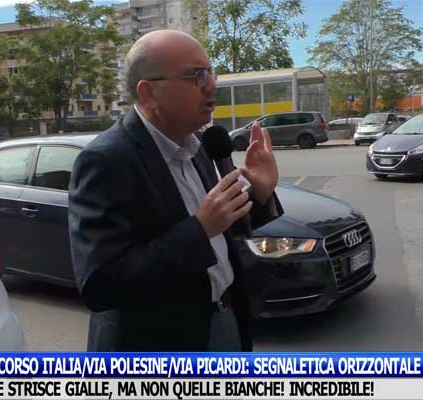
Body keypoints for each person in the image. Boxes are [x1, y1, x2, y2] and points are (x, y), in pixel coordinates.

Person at [67, 30, 283, 351]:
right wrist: (199, 229)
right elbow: (101, 285)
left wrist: (261, 192)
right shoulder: (105, 161)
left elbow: (225, 230)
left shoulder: (198, 145)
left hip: (227, 321)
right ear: (149, 93)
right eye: (196, 76)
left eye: (210, 72)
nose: (211, 85)